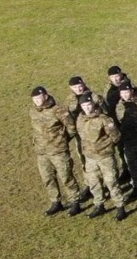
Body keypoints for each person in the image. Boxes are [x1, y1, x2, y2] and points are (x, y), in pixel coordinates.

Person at [28, 86, 83, 216]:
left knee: (66, 177)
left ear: (46, 96)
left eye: (38, 98)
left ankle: (75, 202)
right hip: (42, 152)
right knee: (47, 178)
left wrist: (62, 141)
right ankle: (55, 202)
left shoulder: (58, 110)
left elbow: (71, 127)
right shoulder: (33, 111)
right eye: (34, 99)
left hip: (58, 151)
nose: (36, 101)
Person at [75, 93, 130, 220]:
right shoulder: (80, 118)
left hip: (105, 157)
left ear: (93, 105)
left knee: (111, 182)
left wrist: (106, 146)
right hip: (90, 157)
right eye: (84, 105)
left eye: (89, 105)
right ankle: (99, 205)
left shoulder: (104, 119)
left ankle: (120, 206)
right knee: (94, 182)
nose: (87, 108)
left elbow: (116, 136)